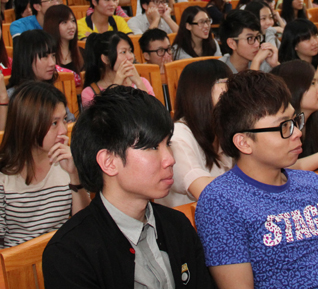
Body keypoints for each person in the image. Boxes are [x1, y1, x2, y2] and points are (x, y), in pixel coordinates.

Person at [196, 70, 318, 289]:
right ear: (244, 142)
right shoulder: (220, 202)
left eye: (295, 121)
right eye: (284, 126)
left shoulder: (312, 183)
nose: (297, 133)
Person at [43, 84, 212, 288]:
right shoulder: (69, 254)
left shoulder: (178, 226)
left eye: (167, 144)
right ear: (109, 162)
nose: (170, 159)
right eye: (152, 147)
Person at [0, 82, 90, 255]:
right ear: (28, 124)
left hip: (55, 258)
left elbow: (83, 226)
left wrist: (75, 176)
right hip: (11, 261)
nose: (63, 130)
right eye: (54, 123)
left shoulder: (67, 162)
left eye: (64, 120)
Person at [160, 59, 233, 207]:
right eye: (227, 85)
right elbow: (205, 191)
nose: (235, 96)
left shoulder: (225, 129)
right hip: (188, 218)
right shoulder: (177, 136)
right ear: (201, 92)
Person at [81, 31, 155, 107]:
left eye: (130, 51)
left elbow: (154, 111)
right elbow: (107, 113)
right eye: (123, 52)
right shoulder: (90, 93)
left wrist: (138, 82)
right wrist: (116, 85)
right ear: (106, 59)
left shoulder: (142, 82)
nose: (130, 57)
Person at [278, 18, 318, 83]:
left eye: (315, 36)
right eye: (307, 39)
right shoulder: (289, 70)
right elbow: (316, 87)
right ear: (294, 45)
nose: (315, 42)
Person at [43, 4, 84, 73]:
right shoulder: (44, 56)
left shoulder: (82, 53)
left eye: (73, 21)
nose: (71, 26)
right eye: (64, 22)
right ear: (52, 25)